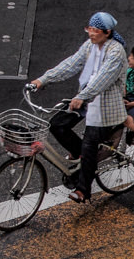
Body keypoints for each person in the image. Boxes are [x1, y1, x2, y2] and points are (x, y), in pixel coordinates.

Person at [29, 11, 127, 203]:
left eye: (95, 30)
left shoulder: (116, 52)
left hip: (106, 106)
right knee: (57, 124)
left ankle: (83, 190)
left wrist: (82, 96)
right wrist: (43, 79)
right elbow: (71, 64)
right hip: (86, 100)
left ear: (107, 32)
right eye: (89, 29)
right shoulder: (90, 46)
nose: (91, 34)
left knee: (90, 144)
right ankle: (79, 155)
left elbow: (103, 80)